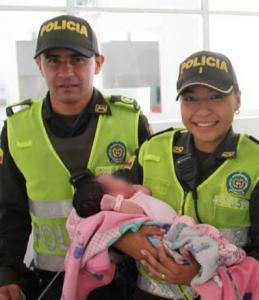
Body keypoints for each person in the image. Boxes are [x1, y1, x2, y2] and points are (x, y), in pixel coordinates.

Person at [0, 14, 151, 300]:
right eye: (53, 60)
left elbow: (153, 200)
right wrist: (6, 273)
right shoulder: (17, 128)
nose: (65, 71)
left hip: (123, 281)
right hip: (50, 283)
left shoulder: (130, 121)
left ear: (98, 63)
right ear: (39, 65)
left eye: (78, 59)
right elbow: (9, 213)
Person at [112, 50, 259, 300]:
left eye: (216, 97)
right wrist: (125, 239)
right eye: (190, 98)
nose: (203, 110)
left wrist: (204, 274)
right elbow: (108, 211)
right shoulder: (152, 150)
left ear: (238, 100)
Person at [62, 171, 259, 300]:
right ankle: (220, 256)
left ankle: (221, 259)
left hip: (180, 232)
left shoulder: (136, 194)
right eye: (114, 180)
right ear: (111, 196)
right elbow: (129, 216)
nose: (120, 178)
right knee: (198, 240)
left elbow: (146, 190)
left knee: (203, 236)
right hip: (169, 240)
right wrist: (116, 204)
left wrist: (131, 189)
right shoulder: (125, 206)